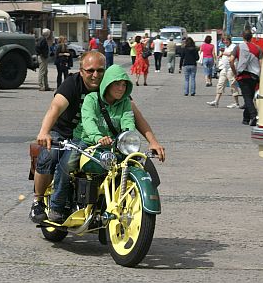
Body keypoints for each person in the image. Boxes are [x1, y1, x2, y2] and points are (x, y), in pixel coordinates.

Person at [29, 50, 165, 223]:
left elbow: (135, 117)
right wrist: (44, 131)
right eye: (90, 70)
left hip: (97, 138)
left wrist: (153, 142)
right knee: (50, 156)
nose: (95, 75)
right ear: (81, 71)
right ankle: (38, 201)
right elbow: (55, 108)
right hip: (64, 132)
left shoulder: (113, 88)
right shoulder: (72, 84)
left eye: (100, 70)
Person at [48, 64, 135, 222]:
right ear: (108, 83)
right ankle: (57, 205)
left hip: (113, 144)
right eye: (117, 83)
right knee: (67, 164)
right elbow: (89, 121)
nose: (121, 88)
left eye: (124, 85)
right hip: (86, 141)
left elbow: (128, 120)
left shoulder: (125, 102)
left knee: (136, 162)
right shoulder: (91, 99)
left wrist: (127, 136)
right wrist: (97, 137)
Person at [229, 30, 263, 126]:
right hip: (254, 76)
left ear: (242, 37)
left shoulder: (238, 47)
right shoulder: (258, 48)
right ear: (251, 37)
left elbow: (231, 61)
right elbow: (261, 64)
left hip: (243, 75)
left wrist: (235, 72)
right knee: (250, 97)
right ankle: (246, 118)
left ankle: (253, 115)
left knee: (247, 97)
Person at [206, 35, 241, 108]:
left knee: (232, 85)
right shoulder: (226, 47)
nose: (225, 42)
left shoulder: (233, 46)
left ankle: (236, 103)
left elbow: (232, 54)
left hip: (231, 68)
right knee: (220, 84)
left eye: (226, 40)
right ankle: (216, 101)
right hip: (225, 68)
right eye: (224, 40)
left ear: (229, 40)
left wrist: (223, 53)